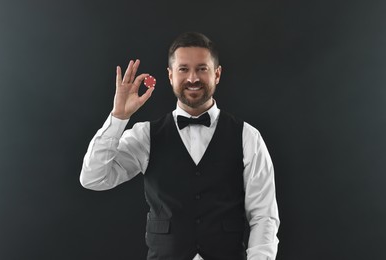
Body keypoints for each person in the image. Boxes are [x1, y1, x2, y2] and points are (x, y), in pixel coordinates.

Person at [80, 32, 280, 260]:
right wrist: (118, 118)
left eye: (202, 68)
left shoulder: (248, 137)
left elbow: (264, 216)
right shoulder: (145, 136)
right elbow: (93, 178)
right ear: (170, 75)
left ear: (217, 74)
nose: (192, 78)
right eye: (183, 69)